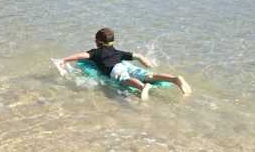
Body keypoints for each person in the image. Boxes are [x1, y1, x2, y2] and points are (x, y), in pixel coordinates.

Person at [54, 28, 192, 100]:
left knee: (125, 80)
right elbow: (136, 55)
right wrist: (145, 61)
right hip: (126, 65)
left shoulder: (96, 52)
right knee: (149, 74)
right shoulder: (118, 51)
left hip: (115, 69)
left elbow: (80, 55)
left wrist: (64, 60)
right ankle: (175, 79)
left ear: (97, 42)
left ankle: (143, 87)